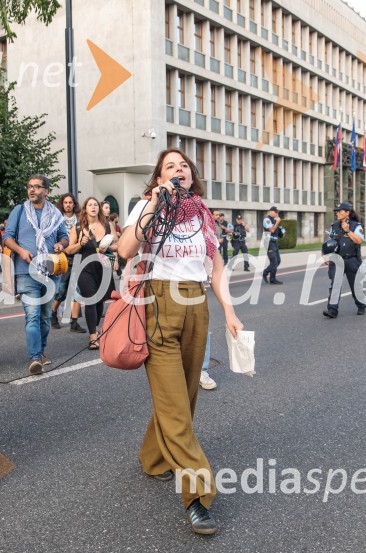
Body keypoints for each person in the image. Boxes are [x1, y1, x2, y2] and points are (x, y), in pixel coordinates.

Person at [118, 148, 244, 535]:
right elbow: (124, 249)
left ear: (192, 176)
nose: (178, 170)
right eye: (170, 167)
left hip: (196, 303)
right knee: (175, 406)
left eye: (183, 166)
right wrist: (155, 203)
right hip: (158, 304)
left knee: (185, 396)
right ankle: (197, 495)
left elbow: (216, 268)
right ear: (159, 178)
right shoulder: (146, 207)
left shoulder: (202, 213)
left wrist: (229, 311)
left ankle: (153, 457)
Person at [2, 175, 69, 375]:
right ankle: (35, 357)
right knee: (32, 316)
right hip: (26, 271)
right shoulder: (19, 210)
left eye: (37, 187)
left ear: (46, 191)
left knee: (45, 317)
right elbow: (7, 238)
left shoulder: (55, 213)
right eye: (30, 186)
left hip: (51, 272)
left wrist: (60, 245)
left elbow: (64, 237)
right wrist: (21, 251)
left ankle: (40, 350)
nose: (32, 190)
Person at [64, 197, 116, 350]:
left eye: (95, 205)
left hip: (104, 267)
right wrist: (80, 244)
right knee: (91, 300)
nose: (93, 207)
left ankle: (96, 327)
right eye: (90, 205)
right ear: (85, 209)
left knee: (100, 301)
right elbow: (69, 250)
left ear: (99, 208)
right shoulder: (78, 228)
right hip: (84, 269)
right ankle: (93, 337)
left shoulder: (108, 225)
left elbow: (117, 245)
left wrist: (109, 248)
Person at [323, 202, 366, 319]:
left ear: (347, 212)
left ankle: (361, 305)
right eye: (337, 211)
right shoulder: (334, 226)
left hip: (351, 259)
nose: (337, 213)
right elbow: (329, 242)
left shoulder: (356, 226)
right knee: (335, 284)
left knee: (355, 286)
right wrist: (326, 255)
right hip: (336, 260)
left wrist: (347, 231)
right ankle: (332, 310)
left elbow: (359, 241)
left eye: (340, 211)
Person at [51, 192, 80, 329]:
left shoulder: (80, 219)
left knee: (77, 291)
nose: (68, 205)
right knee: (61, 290)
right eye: (66, 202)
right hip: (62, 258)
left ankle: (74, 322)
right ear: (62, 204)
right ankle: (53, 314)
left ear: (74, 204)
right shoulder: (57, 219)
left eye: (70, 202)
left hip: (77, 256)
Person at [262, 207, 283, 285]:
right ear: (271, 212)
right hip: (269, 242)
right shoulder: (266, 220)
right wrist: (277, 222)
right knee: (274, 262)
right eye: (276, 212)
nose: (277, 213)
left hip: (274, 242)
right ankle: (267, 274)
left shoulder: (273, 220)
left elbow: (275, 231)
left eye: (277, 212)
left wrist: (280, 231)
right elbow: (271, 230)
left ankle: (271, 277)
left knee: (278, 261)